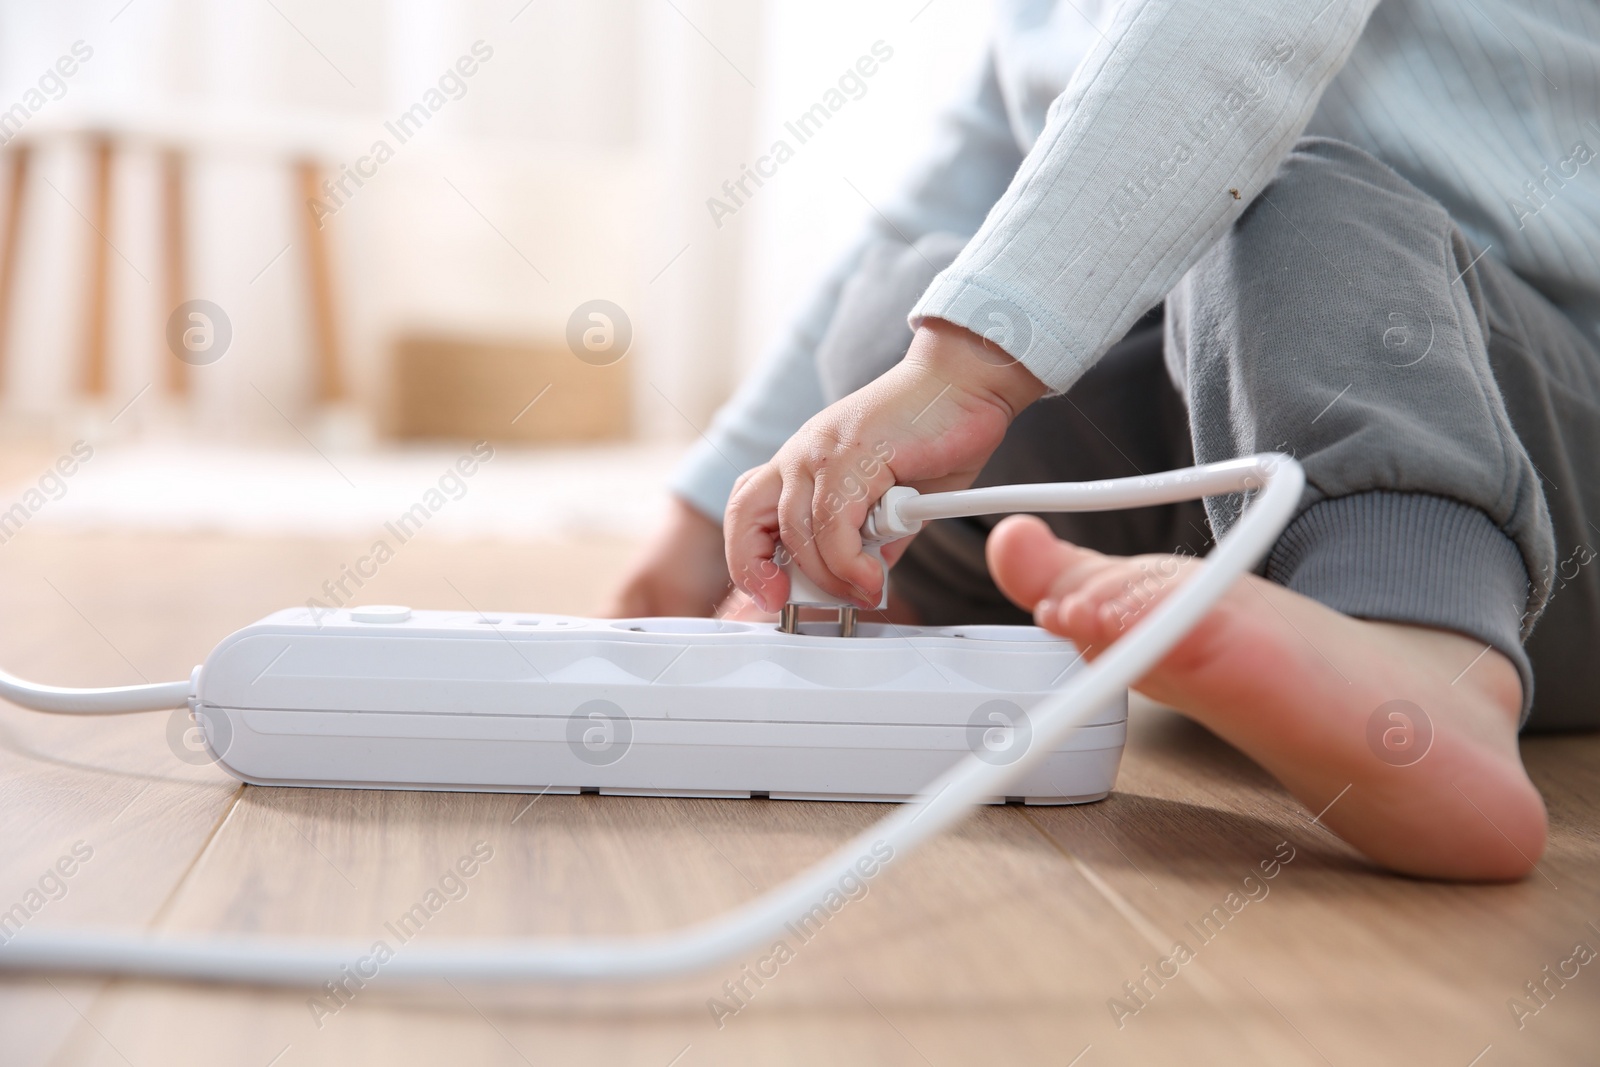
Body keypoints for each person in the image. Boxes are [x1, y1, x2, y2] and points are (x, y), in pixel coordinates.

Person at [608, 0, 1600, 881]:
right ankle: (898, 592)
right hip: (1242, 442)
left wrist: (960, 371)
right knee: (890, 315)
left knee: (1280, 201)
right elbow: (981, 183)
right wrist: (708, 512)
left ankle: (1428, 654)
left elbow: (1231, 39)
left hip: (1533, 464)